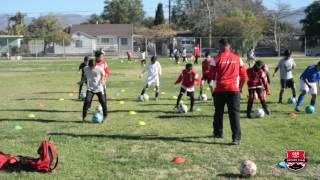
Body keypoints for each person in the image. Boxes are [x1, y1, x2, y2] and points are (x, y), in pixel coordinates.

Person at [209, 38, 247, 145]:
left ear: (221, 46)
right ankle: (236, 138)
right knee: (234, 114)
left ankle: (218, 133)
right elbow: (244, 75)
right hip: (234, 90)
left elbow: (211, 75)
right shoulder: (237, 58)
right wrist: (240, 87)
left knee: (218, 112)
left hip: (220, 90)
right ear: (229, 46)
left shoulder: (215, 59)